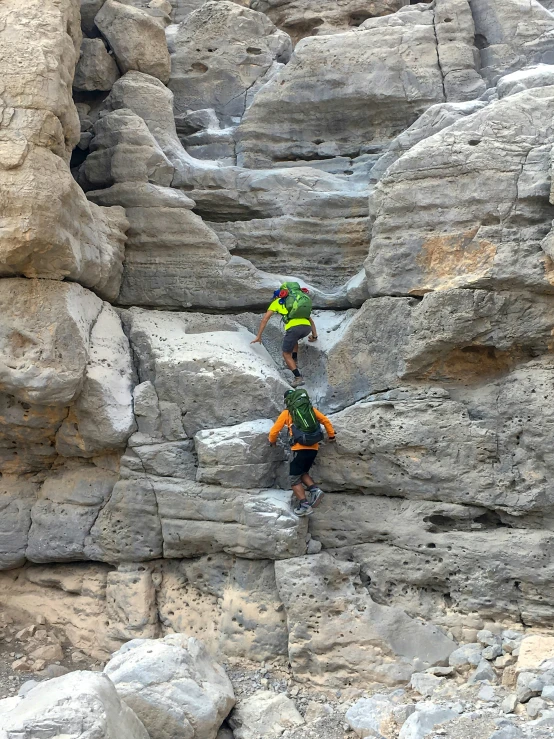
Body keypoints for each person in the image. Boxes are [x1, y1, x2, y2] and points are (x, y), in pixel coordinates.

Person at [269, 390, 336, 517]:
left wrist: (272, 442)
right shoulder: (311, 410)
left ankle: (304, 505)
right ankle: (315, 490)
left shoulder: (287, 413)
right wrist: (331, 436)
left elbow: (274, 431)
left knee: (293, 478)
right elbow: (325, 421)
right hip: (314, 448)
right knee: (302, 472)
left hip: (298, 449)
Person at [251, 285, 318, 388]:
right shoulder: (296, 304)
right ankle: (294, 359)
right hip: (306, 328)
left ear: (278, 296)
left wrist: (258, 336)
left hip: (293, 328)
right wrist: (314, 336)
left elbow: (265, 319)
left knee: (286, 354)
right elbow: (310, 320)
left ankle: (298, 377)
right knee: (294, 339)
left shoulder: (277, 302)